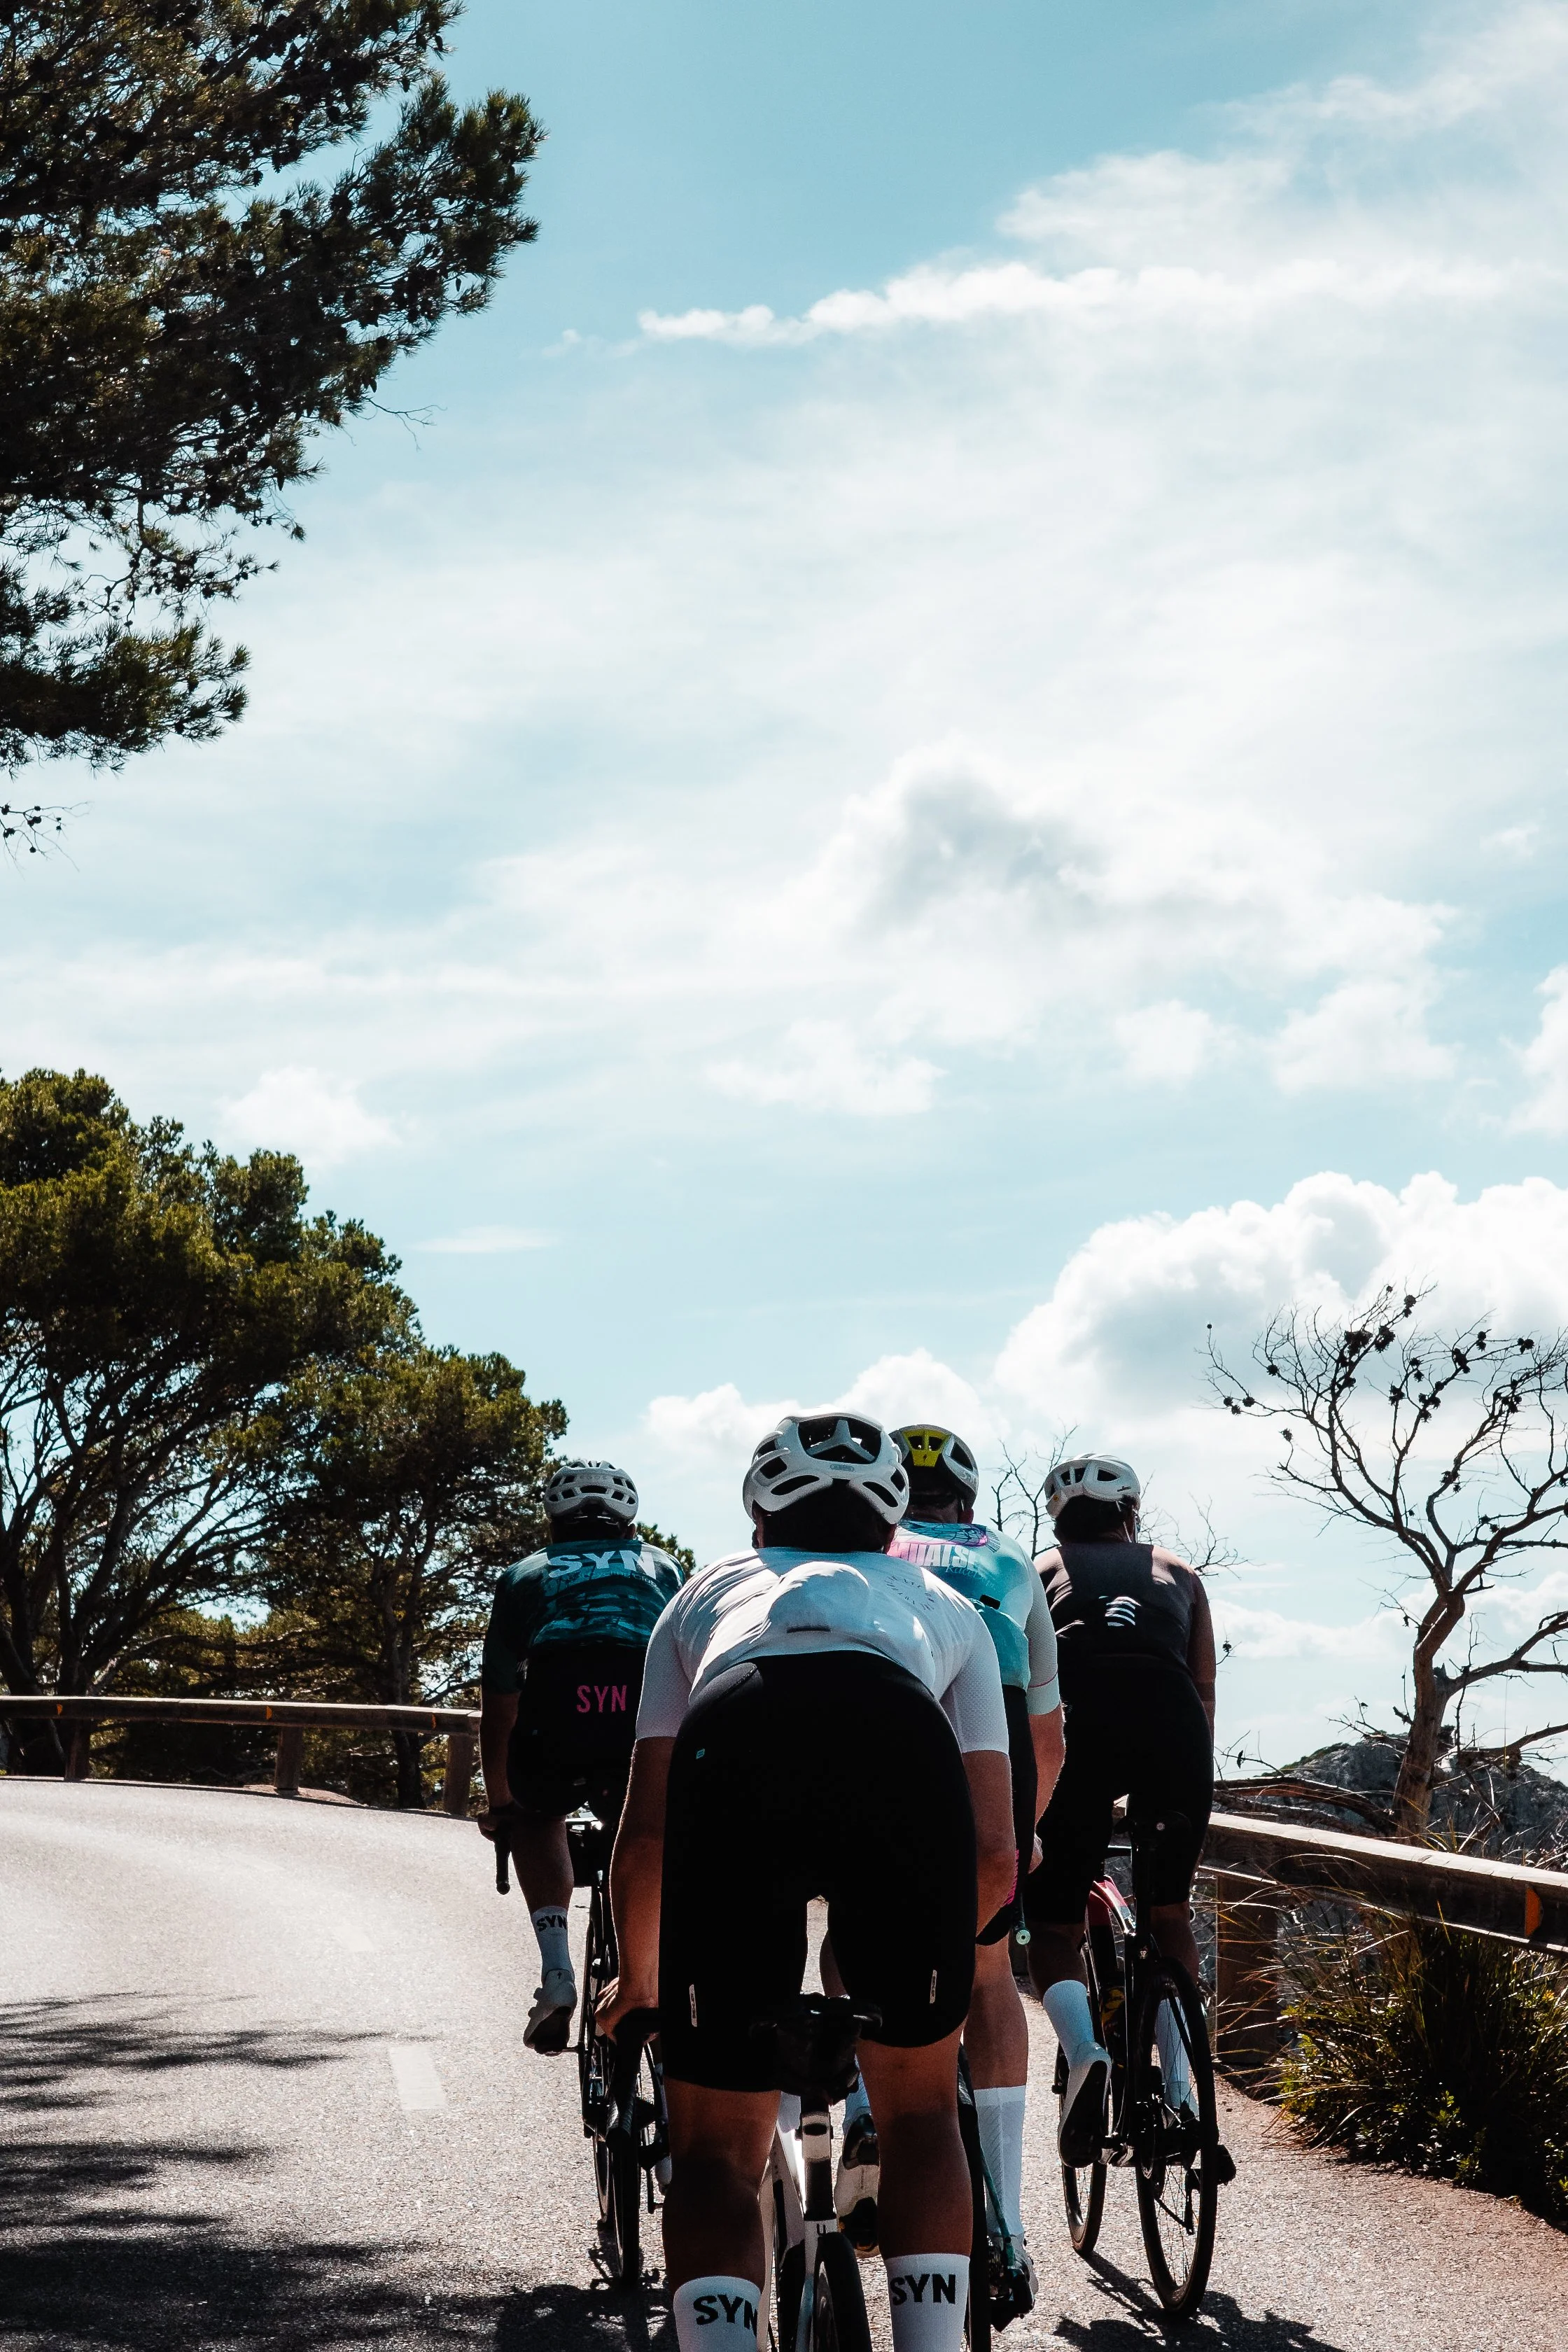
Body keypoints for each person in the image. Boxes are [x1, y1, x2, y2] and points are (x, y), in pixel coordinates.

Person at [598, 1412, 1018, 2352]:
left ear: (758, 1519)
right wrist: (954, 1967)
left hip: (738, 1730)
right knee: (918, 2114)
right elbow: (996, 1852)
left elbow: (649, 1830)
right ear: (892, 1526)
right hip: (900, 1746)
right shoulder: (950, 1611)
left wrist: (639, 1982)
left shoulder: (701, 1594)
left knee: (712, 2149)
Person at [825, 1423, 1063, 2318]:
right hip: (990, 1740)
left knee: (857, 1918)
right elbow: (1048, 1733)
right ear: (966, 1500)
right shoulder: (1007, 1561)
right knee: (991, 1964)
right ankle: (1004, 2220)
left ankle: (856, 2098)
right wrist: (1020, 1833)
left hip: (883, 1723)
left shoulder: (864, 1557)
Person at [1023, 1454, 1217, 2164]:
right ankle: (1184, 2097)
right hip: (1171, 1726)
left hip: (1076, 1721)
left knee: (1052, 1923)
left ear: (1057, 1518)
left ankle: (1082, 2053)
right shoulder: (1181, 1573)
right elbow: (1202, 1695)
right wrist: (1182, 1786)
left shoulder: (1038, 1571)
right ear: (1129, 1513)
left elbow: (1022, 1687)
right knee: (1167, 1915)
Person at [477, 1460, 685, 2054]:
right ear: (629, 1520)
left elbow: (500, 1703)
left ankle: (557, 1973)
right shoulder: (663, 1567)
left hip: (557, 1720)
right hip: (641, 1720)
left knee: (538, 1814)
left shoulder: (525, 1574)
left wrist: (503, 1805)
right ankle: (647, 1968)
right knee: (643, 1826)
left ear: (554, 1517)